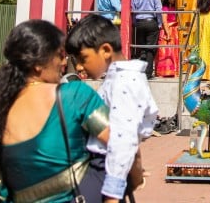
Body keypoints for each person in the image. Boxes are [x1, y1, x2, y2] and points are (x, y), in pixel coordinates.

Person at [0, 20, 110, 203]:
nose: (64, 62)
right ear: (38, 63)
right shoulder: (74, 95)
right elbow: (120, 143)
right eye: (60, 55)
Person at [66, 14, 159, 202]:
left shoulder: (123, 83)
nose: (79, 66)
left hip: (103, 169)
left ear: (105, 50)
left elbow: (122, 140)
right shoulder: (119, 77)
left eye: (83, 58)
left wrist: (111, 195)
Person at [131, 0, 162, 78]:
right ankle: (148, 73)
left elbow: (133, 9)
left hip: (140, 22)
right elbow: (158, 9)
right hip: (151, 21)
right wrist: (159, 23)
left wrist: (135, 23)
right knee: (151, 48)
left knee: (141, 47)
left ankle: (141, 69)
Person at [154, 0, 181, 78]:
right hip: (167, 30)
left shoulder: (173, 8)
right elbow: (164, 21)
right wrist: (168, 33)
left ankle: (173, 70)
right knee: (166, 51)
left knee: (173, 51)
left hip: (173, 30)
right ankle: (164, 71)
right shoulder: (164, 8)